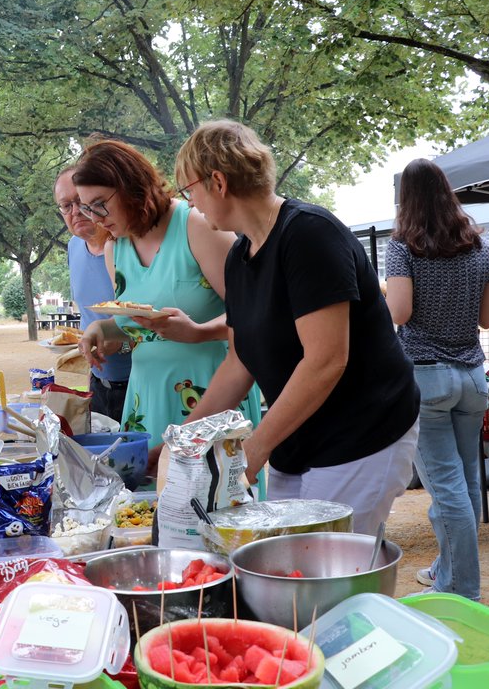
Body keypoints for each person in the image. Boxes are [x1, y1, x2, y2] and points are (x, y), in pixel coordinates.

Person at [175, 120, 419, 538]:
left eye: (189, 189)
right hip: (299, 440)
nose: (190, 203)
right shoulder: (239, 255)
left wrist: (254, 450)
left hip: (361, 433)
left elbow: (326, 360)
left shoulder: (309, 234)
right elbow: (239, 361)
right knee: (288, 568)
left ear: (217, 181)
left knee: (326, 570)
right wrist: (183, 439)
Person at [72, 140, 263, 457]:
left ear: (132, 186)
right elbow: (142, 324)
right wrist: (103, 330)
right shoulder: (114, 249)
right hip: (146, 401)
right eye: (86, 208)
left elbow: (256, 312)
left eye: (100, 203)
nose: (94, 217)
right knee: (150, 502)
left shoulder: (197, 225)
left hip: (212, 396)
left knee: (214, 498)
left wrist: (198, 332)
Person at [385, 159, 489, 600]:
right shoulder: (482, 248)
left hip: (425, 378)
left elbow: (399, 312)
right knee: (466, 481)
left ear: (406, 201)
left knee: (446, 486)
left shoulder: (402, 247)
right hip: (472, 375)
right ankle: (445, 569)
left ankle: (460, 588)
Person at [54, 166, 131, 420]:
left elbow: (152, 319)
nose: (75, 211)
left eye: (79, 201)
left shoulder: (126, 246)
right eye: (66, 206)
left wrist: (119, 343)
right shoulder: (73, 247)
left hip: (139, 384)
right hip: (98, 386)